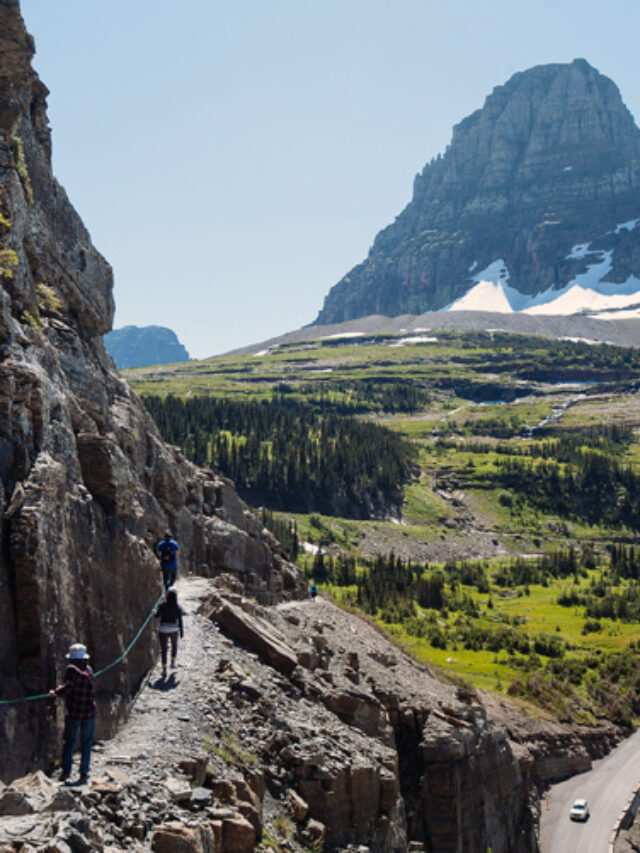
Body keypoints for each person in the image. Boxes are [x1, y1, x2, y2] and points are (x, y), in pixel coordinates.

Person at [49, 643, 96, 785]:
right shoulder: (89, 669)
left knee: (69, 741)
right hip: (89, 712)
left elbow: (69, 686)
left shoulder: (71, 669)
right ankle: (83, 772)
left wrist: (56, 692)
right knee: (86, 742)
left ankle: (66, 771)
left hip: (75, 711)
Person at [154, 587, 184, 679]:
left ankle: (164, 669)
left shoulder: (162, 606)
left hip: (163, 629)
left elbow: (156, 616)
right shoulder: (178, 607)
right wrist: (182, 632)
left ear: (167, 596)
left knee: (164, 649)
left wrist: (154, 611)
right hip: (174, 629)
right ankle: (173, 662)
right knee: (174, 645)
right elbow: (180, 620)